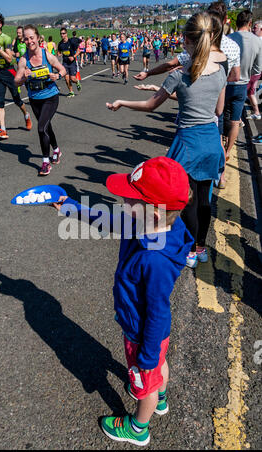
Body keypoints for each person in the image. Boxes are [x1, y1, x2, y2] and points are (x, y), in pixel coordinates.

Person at [50, 156, 193, 446]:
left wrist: (146, 358)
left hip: (143, 333)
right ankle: (160, 397)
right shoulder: (149, 225)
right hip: (151, 333)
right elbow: (108, 220)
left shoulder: (155, 260)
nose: (122, 202)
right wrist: (71, 207)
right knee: (157, 370)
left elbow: (157, 311)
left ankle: (138, 427)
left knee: (144, 382)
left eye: (130, 200)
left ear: (152, 214)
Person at [107, 13, 227, 269]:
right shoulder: (220, 72)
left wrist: (122, 102)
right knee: (205, 199)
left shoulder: (179, 75)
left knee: (186, 200)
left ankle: (190, 248)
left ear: (185, 40)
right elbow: (219, 110)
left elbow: (150, 107)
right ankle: (201, 247)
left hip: (188, 143)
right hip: (211, 140)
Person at [14, 25, 67, 176]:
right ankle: (56, 150)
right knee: (46, 126)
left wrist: (58, 76)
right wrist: (24, 76)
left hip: (51, 97)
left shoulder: (47, 55)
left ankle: (45, 162)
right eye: (26, 38)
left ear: (37, 37)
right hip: (34, 99)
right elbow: (16, 81)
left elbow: (62, 69)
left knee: (41, 128)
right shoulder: (24, 60)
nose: (29, 41)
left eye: (32, 37)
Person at [0, 11, 32, 140]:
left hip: (9, 73)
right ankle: (3, 130)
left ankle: (26, 115)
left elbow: (9, 59)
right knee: (0, 102)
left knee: (17, 100)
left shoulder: (6, 38)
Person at [223, 10, 262, 159]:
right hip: (242, 84)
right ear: (250, 23)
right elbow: (258, 68)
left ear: (236, 23)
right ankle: (227, 151)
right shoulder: (257, 41)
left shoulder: (229, 38)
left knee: (220, 117)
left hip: (226, 83)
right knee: (234, 120)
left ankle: (221, 149)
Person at [57, 27, 81, 98]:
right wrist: (59, 54)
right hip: (65, 63)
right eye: (61, 34)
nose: (62, 35)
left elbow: (78, 51)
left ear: (66, 34)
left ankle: (77, 82)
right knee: (66, 79)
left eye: (63, 33)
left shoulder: (71, 42)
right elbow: (58, 52)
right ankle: (71, 92)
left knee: (72, 78)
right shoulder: (60, 44)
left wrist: (73, 56)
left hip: (72, 63)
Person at [246, 21, 262, 120]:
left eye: (255, 28)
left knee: (250, 91)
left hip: (255, 71)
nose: (253, 29)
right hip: (256, 70)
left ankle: (256, 112)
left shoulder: (258, 41)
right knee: (251, 91)